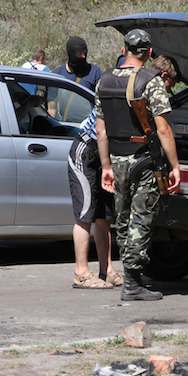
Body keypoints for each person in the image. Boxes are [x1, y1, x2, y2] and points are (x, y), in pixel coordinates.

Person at [96, 29, 181, 301]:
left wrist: (106, 166)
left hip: (117, 160)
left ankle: (129, 277)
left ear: (124, 50)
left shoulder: (104, 81)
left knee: (122, 220)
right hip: (144, 160)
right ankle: (132, 284)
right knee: (140, 220)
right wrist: (175, 166)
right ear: (149, 53)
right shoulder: (151, 81)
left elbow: (101, 131)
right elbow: (164, 130)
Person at [67, 106, 120, 289]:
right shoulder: (111, 87)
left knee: (104, 215)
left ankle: (107, 271)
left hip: (104, 155)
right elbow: (100, 128)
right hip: (87, 150)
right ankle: (81, 274)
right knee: (85, 214)